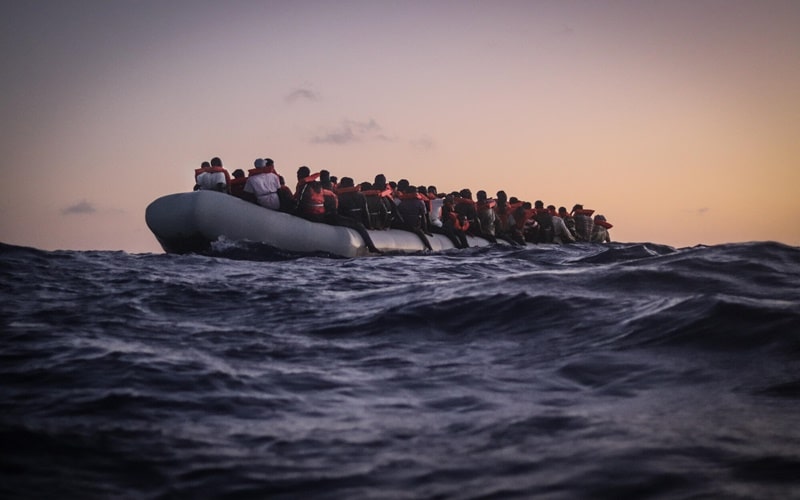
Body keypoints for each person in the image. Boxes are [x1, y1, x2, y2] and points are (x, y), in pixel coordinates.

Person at [395, 185, 433, 251]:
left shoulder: (402, 202)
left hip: (403, 225)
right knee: (420, 233)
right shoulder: (420, 202)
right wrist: (425, 229)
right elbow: (423, 216)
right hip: (414, 225)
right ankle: (429, 248)